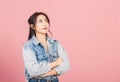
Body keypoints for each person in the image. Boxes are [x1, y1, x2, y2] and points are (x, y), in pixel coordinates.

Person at [22, 12, 70, 82]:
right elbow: (33, 70)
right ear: (33, 26)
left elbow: (66, 65)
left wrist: (46, 73)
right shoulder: (29, 46)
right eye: (40, 21)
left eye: (46, 21)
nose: (44, 24)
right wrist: (55, 63)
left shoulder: (56, 43)